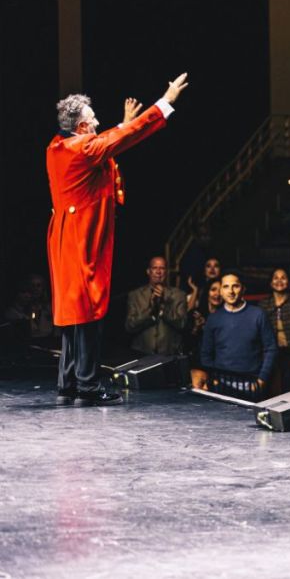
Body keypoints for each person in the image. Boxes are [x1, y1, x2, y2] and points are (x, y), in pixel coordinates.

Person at [47, 73, 188, 406]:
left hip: (64, 236)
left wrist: (122, 126)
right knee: (86, 312)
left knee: (72, 313)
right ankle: (87, 385)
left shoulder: (58, 146)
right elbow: (117, 140)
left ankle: (69, 381)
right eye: (93, 119)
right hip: (82, 239)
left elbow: (108, 143)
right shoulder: (84, 149)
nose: (98, 123)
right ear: (82, 126)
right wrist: (164, 102)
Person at [200, 272, 278, 396]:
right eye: (226, 286)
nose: (231, 291)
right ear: (221, 291)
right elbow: (206, 353)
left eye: (235, 286)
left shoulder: (258, 314)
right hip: (221, 384)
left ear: (243, 289)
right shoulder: (214, 318)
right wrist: (212, 378)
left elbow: (271, 348)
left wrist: (261, 379)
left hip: (251, 383)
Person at [125, 256, 187, 355]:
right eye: (154, 268)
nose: (158, 272)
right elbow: (130, 326)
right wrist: (151, 310)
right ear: (148, 271)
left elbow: (182, 324)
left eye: (162, 268)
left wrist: (164, 306)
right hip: (141, 354)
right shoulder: (135, 295)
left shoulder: (178, 295)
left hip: (169, 354)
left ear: (166, 272)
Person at [259, 268, 290, 353]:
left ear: (288, 282)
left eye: (283, 278)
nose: (279, 281)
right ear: (271, 283)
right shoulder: (263, 305)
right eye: (276, 278)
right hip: (269, 352)